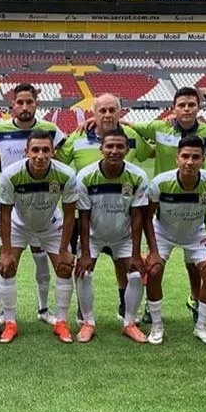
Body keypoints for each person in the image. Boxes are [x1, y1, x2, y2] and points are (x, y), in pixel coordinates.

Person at [57, 93, 151, 325]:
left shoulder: (130, 135)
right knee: (85, 263)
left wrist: (133, 126)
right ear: (93, 113)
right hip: (85, 213)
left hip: (121, 211)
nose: (108, 115)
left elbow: (150, 152)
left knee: (123, 262)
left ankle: (124, 306)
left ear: (120, 112)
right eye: (103, 111)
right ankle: (83, 312)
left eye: (112, 110)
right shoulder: (77, 136)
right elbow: (59, 162)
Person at [0, 83, 66, 325]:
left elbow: (65, 155)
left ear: (36, 104)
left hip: (43, 206)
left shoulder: (50, 129)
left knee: (41, 258)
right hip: (10, 208)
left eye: (30, 102)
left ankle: (43, 309)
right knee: (6, 261)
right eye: (20, 102)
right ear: (13, 105)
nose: (25, 107)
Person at [141, 136, 206, 346]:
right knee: (153, 270)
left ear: (203, 159)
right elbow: (147, 218)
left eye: (195, 157)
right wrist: (152, 250)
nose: (190, 161)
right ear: (177, 159)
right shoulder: (160, 183)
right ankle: (157, 325)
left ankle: (202, 327)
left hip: (195, 233)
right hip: (163, 232)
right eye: (185, 156)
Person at [0, 130, 78, 344]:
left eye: (45, 150)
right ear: (26, 152)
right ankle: (10, 323)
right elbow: (4, 214)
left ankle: (61, 322)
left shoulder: (66, 175)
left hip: (50, 224)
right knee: (7, 267)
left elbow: (70, 214)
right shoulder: (11, 175)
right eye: (35, 150)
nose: (40, 155)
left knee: (64, 267)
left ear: (52, 152)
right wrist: (5, 250)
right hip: (18, 224)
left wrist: (63, 250)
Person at [73, 128, 150, 344]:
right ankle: (88, 322)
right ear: (101, 149)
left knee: (136, 274)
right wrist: (86, 253)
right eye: (109, 146)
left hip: (123, 237)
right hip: (94, 236)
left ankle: (129, 323)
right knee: (83, 273)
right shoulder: (86, 176)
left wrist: (136, 253)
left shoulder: (137, 176)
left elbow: (137, 216)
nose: (114, 151)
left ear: (127, 149)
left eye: (119, 147)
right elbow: (84, 216)